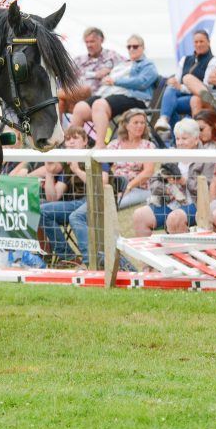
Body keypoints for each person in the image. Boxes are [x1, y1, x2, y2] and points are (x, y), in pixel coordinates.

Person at [131, 118, 216, 235]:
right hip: (171, 202)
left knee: (174, 218)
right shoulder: (172, 154)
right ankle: (149, 253)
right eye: (177, 138)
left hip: (196, 204)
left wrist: (183, 182)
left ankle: (185, 252)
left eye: (184, 138)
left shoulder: (208, 158)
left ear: (196, 139)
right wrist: (166, 189)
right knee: (139, 215)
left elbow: (209, 188)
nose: (180, 142)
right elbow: (154, 181)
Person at [68, 34, 158, 143]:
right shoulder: (123, 63)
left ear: (143, 47)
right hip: (109, 94)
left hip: (134, 97)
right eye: (129, 47)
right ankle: (72, 145)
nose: (131, 49)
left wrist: (116, 81)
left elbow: (142, 82)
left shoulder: (148, 65)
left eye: (135, 46)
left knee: (99, 104)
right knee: (80, 107)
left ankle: (100, 144)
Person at [39, 127, 91, 264]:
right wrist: (49, 173)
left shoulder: (93, 156)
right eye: (68, 140)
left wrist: (77, 170)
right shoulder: (66, 164)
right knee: (42, 210)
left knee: (76, 216)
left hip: (93, 200)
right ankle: (68, 257)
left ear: (85, 141)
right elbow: (53, 197)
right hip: (73, 204)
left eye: (76, 138)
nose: (71, 142)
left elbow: (101, 185)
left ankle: (90, 262)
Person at [56, 27, 125, 116]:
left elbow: (128, 67)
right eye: (86, 42)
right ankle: (60, 130)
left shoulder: (112, 56)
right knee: (60, 102)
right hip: (74, 96)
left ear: (101, 40)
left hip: (98, 95)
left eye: (92, 41)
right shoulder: (79, 59)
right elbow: (65, 76)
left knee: (85, 88)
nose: (89, 45)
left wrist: (111, 72)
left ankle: (52, 96)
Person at [154, 30, 213, 132]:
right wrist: (173, 82)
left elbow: (206, 87)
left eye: (201, 41)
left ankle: (167, 124)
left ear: (208, 42)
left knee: (171, 103)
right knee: (171, 88)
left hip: (200, 97)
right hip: (182, 95)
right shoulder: (185, 59)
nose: (198, 44)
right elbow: (177, 79)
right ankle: (165, 121)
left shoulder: (213, 61)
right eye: (196, 42)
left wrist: (181, 87)